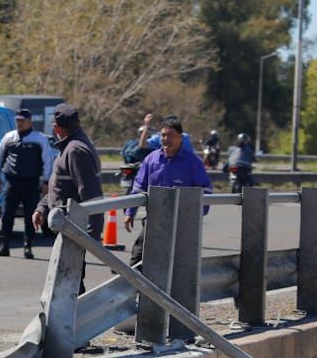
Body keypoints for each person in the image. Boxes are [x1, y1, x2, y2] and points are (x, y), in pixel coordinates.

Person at [123, 115, 213, 267]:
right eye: (163, 135)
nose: (166, 139)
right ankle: (137, 290)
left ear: (180, 138)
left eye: (170, 135)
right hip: (154, 220)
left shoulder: (192, 162)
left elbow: (205, 192)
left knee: (176, 266)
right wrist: (129, 213)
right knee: (137, 259)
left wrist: (195, 216)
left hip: (181, 224)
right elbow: (138, 187)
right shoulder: (151, 159)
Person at [33, 104, 104, 291]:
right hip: (66, 228)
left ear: (56, 128)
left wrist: (93, 236)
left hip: (74, 229)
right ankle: (71, 317)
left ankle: (74, 318)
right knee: (66, 281)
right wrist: (42, 207)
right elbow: (60, 185)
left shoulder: (76, 151)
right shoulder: (69, 147)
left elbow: (91, 195)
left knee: (70, 283)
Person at [0, 108, 56, 258]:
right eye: (17, 120)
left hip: (31, 183)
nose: (19, 123)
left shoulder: (39, 138)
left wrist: (46, 181)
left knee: (30, 215)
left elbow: (48, 160)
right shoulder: (9, 137)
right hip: (12, 182)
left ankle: (28, 246)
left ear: (29, 121)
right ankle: (4, 246)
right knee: (7, 214)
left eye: (22, 120)